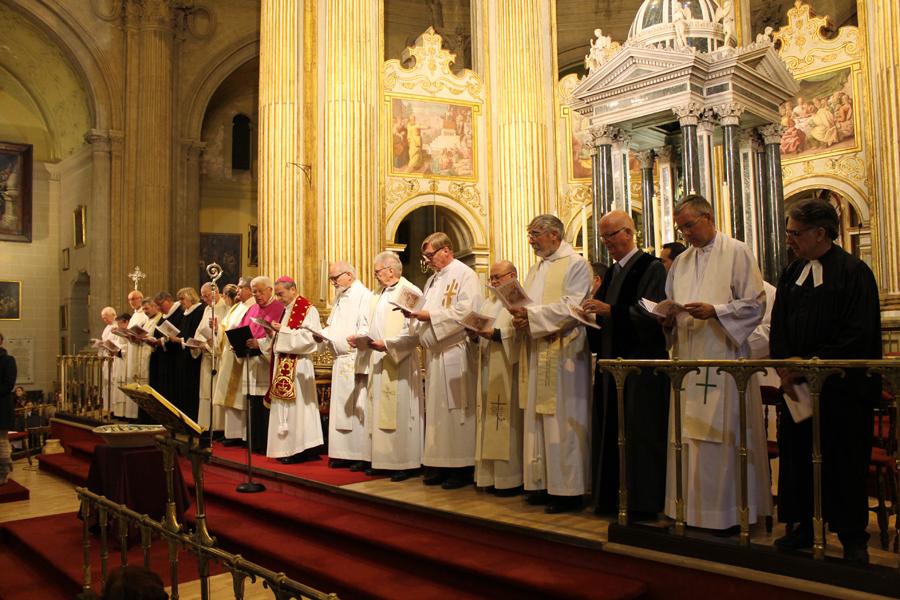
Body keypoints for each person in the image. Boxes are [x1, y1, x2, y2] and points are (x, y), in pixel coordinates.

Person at [770, 199, 881, 564]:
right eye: (788, 233)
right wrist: (786, 368)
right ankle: (803, 525)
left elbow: (859, 333)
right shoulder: (791, 273)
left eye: (795, 233)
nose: (790, 241)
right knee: (799, 457)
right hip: (799, 389)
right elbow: (780, 326)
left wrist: (812, 364)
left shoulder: (854, 272)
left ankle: (851, 535)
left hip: (841, 390)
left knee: (843, 460)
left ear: (821, 232)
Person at [663, 194, 770, 533]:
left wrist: (717, 312)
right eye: (681, 229)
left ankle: (727, 514)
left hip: (723, 358)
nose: (686, 235)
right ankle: (692, 510)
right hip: (688, 358)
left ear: (708, 216)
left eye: (690, 226)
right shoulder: (681, 263)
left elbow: (755, 304)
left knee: (722, 437)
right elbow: (672, 303)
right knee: (689, 437)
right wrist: (666, 318)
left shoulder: (737, 251)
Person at [582, 210, 669, 519]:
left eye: (611, 235)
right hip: (610, 365)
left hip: (639, 368)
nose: (606, 242)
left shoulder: (651, 267)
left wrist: (611, 311)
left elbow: (653, 313)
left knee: (638, 434)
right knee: (609, 430)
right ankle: (609, 497)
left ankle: (641, 503)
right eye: (603, 236)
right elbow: (606, 313)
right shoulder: (614, 272)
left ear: (629, 233)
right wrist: (588, 315)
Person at [510, 214, 592, 514]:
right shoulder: (537, 268)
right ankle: (541, 483)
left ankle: (568, 490)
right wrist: (519, 315)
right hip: (538, 348)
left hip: (565, 353)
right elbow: (529, 305)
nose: (530, 240)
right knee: (538, 420)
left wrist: (530, 317)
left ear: (555, 235)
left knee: (563, 422)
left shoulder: (576, 265)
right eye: (529, 234)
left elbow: (572, 307)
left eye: (535, 234)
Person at [404, 232, 481, 489]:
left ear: (446, 250)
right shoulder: (433, 281)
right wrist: (414, 317)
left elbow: (467, 310)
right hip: (435, 355)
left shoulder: (465, 275)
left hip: (455, 352)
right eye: (425, 256)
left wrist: (430, 316)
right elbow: (424, 310)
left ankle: (461, 466)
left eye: (430, 255)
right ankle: (439, 463)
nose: (427, 261)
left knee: (456, 411)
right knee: (437, 413)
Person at [353, 251, 423, 482]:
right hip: (378, 358)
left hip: (399, 361)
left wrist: (390, 344)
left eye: (377, 272)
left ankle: (403, 461)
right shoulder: (377, 295)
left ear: (391, 270)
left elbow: (413, 331)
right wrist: (362, 338)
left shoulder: (410, 292)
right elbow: (368, 322)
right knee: (377, 410)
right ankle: (381, 459)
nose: (375, 276)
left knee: (400, 411)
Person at [473, 260, 524, 495]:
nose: (493, 282)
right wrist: (473, 334)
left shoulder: (517, 299)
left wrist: (495, 334)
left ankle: (509, 479)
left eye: (498, 277)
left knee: (507, 421)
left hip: (507, 368)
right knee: (488, 420)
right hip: (487, 367)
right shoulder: (489, 302)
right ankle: (489, 477)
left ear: (512, 275)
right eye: (491, 278)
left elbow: (522, 332)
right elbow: (479, 328)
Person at [262, 277, 324, 464]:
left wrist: (283, 332)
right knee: (288, 410)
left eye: (281, 294)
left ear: (293, 289)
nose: (279, 299)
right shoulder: (287, 310)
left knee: (299, 411)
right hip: (284, 364)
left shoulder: (308, 309)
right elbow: (285, 335)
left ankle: (300, 448)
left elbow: (311, 339)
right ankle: (287, 447)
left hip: (299, 367)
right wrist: (273, 334)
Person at [319, 262, 371, 470]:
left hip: (355, 358)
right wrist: (321, 335)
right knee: (341, 409)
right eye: (331, 279)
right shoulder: (340, 296)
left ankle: (359, 453)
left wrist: (357, 338)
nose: (332, 283)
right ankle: (342, 452)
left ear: (349, 275)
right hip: (340, 360)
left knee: (356, 408)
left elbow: (367, 325)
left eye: (335, 278)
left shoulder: (364, 296)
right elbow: (333, 325)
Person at [239, 276, 285, 455]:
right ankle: (254, 442)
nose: (256, 295)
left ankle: (266, 443)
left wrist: (260, 344)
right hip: (251, 364)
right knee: (252, 403)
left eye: (259, 291)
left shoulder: (280, 309)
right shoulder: (252, 309)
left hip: (267, 364)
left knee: (264, 405)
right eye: (254, 291)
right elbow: (241, 329)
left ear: (270, 290)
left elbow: (279, 338)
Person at [214, 280, 254, 446]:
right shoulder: (238, 306)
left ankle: (240, 434)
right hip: (228, 355)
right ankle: (230, 432)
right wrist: (217, 329)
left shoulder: (252, 307)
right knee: (229, 398)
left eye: (241, 287)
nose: (237, 290)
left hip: (240, 357)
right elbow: (225, 327)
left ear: (250, 290)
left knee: (238, 399)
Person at [194, 282, 228, 433]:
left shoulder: (225, 307)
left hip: (218, 358)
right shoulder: (208, 308)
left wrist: (212, 340)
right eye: (203, 296)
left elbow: (224, 333)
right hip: (206, 357)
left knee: (216, 391)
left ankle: (218, 427)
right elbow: (200, 330)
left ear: (216, 293)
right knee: (206, 392)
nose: (205, 299)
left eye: (207, 295)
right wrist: (198, 343)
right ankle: (206, 425)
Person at [0, 332, 16, 486]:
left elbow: (8, 384)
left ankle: (3, 473)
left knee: (1, 441)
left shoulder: (8, 360)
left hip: (2, 406)